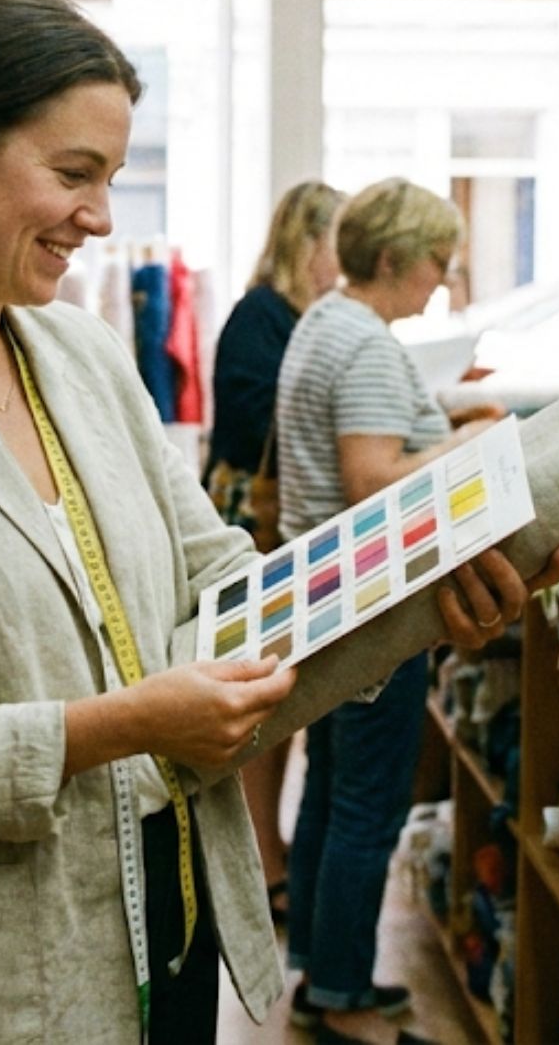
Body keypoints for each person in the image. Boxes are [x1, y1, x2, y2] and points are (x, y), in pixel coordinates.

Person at [0, 0, 559, 1043]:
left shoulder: (76, 355)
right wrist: (121, 726)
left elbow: (215, 576)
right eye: (72, 173)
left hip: (163, 922)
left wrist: (416, 589)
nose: (101, 215)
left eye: (109, 179)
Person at [276, 178, 495, 1045]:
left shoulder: (325, 322)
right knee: (370, 800)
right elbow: (369, 481)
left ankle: (325, 977)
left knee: (334, 787)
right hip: (368, 606)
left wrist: (440, 421)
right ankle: (342, 1000)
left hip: (325, 599)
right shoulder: (365, 345)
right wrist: (466, 448)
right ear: (395, 258)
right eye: (438, 262)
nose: (443, 281)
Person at [204, 178, 349, 918]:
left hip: (279, 516)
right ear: (307, 245)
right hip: (249, 521)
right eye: (337, 244)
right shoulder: (261, 316)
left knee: (281, 685)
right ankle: (262, 858)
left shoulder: (305, 319)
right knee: (265, 685)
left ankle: (272, 847)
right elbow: (257, 420)